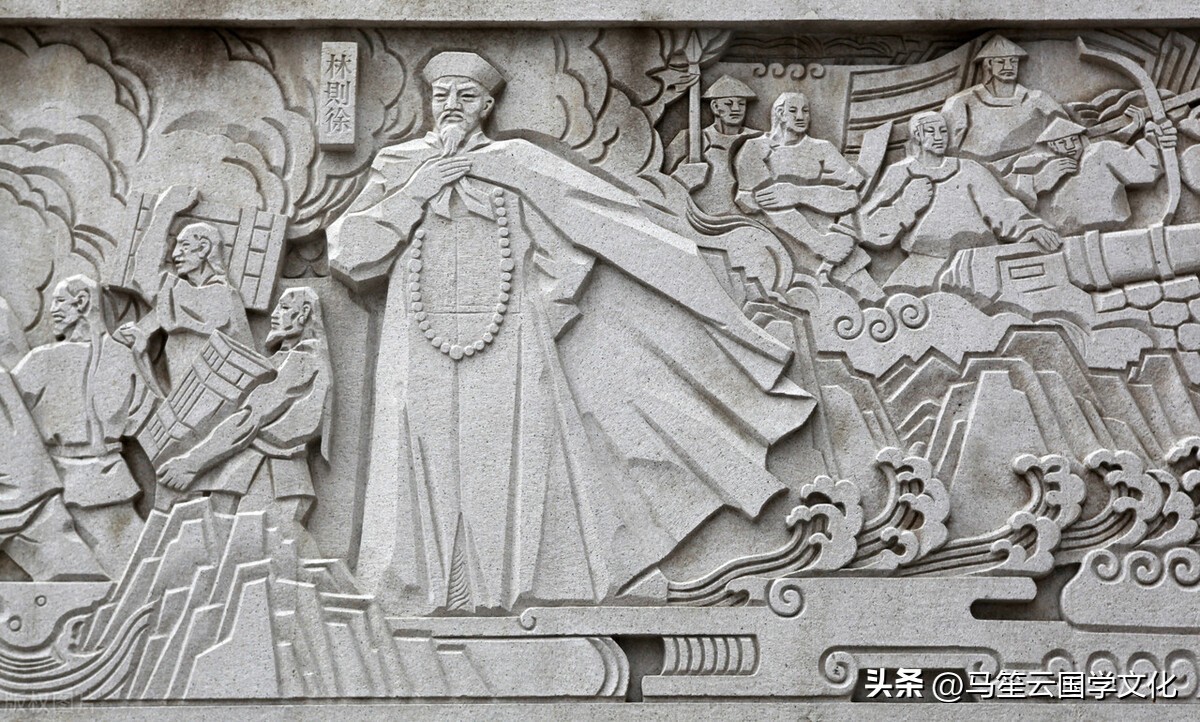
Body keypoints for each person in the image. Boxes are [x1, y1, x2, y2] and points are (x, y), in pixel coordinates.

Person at [327, 51, 815, 615]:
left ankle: (512, 591)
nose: (452, 106)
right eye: (442, 96)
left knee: (512, 457)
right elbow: (349, 252)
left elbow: (581, 235)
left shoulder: (516, 162)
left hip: (509, 334)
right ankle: (418, 593)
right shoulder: (400, 165)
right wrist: (417, 189)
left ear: (487, 106)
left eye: (466, 96)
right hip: (417, 340)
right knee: (416, 455)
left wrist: (547, 306)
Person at [9, 275, 150, 578]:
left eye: (60, 301)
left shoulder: (111, 355)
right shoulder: (46, 359)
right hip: (73, 483)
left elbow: (146, 414)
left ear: (82, 302)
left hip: (98, 483)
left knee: (133, 569)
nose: (52, 311)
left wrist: (141, 358)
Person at [155, 287, 332, 524]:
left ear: (305, 312)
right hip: (249, 472)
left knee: (249, 539)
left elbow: (248, 420)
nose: (274, 315)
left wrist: (191, 463)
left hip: (275, 481)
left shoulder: (303, 362)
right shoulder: (283, 360)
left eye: (284, 308)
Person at [860, 111, 1060, 290]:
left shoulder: (969, 169)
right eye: (930, 131)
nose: (938, 137)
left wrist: (1030, 227)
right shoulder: (900, 173)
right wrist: (907, 206)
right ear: (917, 135)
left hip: (977, 259)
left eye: (943, 131)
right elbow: (869, 224)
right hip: (926, 262)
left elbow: (1001, 206)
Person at [733, 92, 882, 301]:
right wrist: (817, 242)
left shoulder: (822, 149)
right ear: (779, 114)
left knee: (873, 298)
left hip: (836, 248)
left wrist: (799, 194)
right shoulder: (756, 149)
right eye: (793, 111)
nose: (800, 117)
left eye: (805, 111)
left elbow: (851, 198)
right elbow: (754, 202)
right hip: (779, 248)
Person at [115, 187, 253, 390]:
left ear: (203, 248)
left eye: (184, 245)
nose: (174, 255)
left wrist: (164, 211)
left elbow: (145, 274)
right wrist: (141, 347)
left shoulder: (217, 296)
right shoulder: (190, 297)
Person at [1005, 115, 1174, 234]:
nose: (1070, 146)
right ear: (1052, 146)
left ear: (1081, 139)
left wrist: (1152, 141)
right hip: (1064, 237)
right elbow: (1010, 200)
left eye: (1073, 139)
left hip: (1112, 230)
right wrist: (1042, 179)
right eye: (1062, 143)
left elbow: (1145, 171)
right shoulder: (1037, 164)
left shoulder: (1101, 152)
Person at [941, 35, 1066, 164]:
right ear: (989, 64)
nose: (1008, 67)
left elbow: (1066, 130)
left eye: (1013, 61)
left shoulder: (1038, 100)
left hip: (1027, 164)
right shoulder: (963, 101)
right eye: (1001, 62)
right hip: (974, 167)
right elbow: (949, 145)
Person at [664, 75, 762, 215]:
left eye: (741, 104)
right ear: (715, 107)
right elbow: (661, 181)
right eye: (728, 104)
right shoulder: (689, 138)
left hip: (747, 219)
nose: (736, 109)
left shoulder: (759, 139)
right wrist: (682, 178)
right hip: (700, 219)